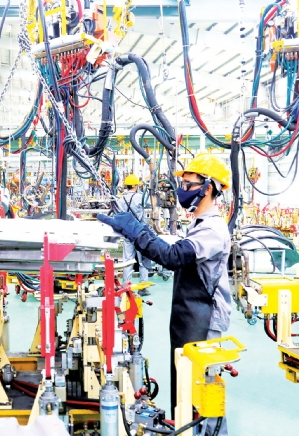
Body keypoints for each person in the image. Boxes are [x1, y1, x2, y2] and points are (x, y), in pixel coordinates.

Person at [98, 154, 232, 436]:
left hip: (205, 320)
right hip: (190, 316)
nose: (183, 189)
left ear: (208, 188)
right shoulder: (199, 223)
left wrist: (136, 231)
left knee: (202, 391)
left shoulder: (212, 229)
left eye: (189, 184)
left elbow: (173, 257)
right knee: (186, 387)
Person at [116, 174, 151, 296]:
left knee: (128, 261)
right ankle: (144, 287)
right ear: (136, 186)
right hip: (140, 233)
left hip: (127, 233)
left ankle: (126, 288)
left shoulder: (121, 199)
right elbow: (151, 204)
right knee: (142, 260)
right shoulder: (140, 197)